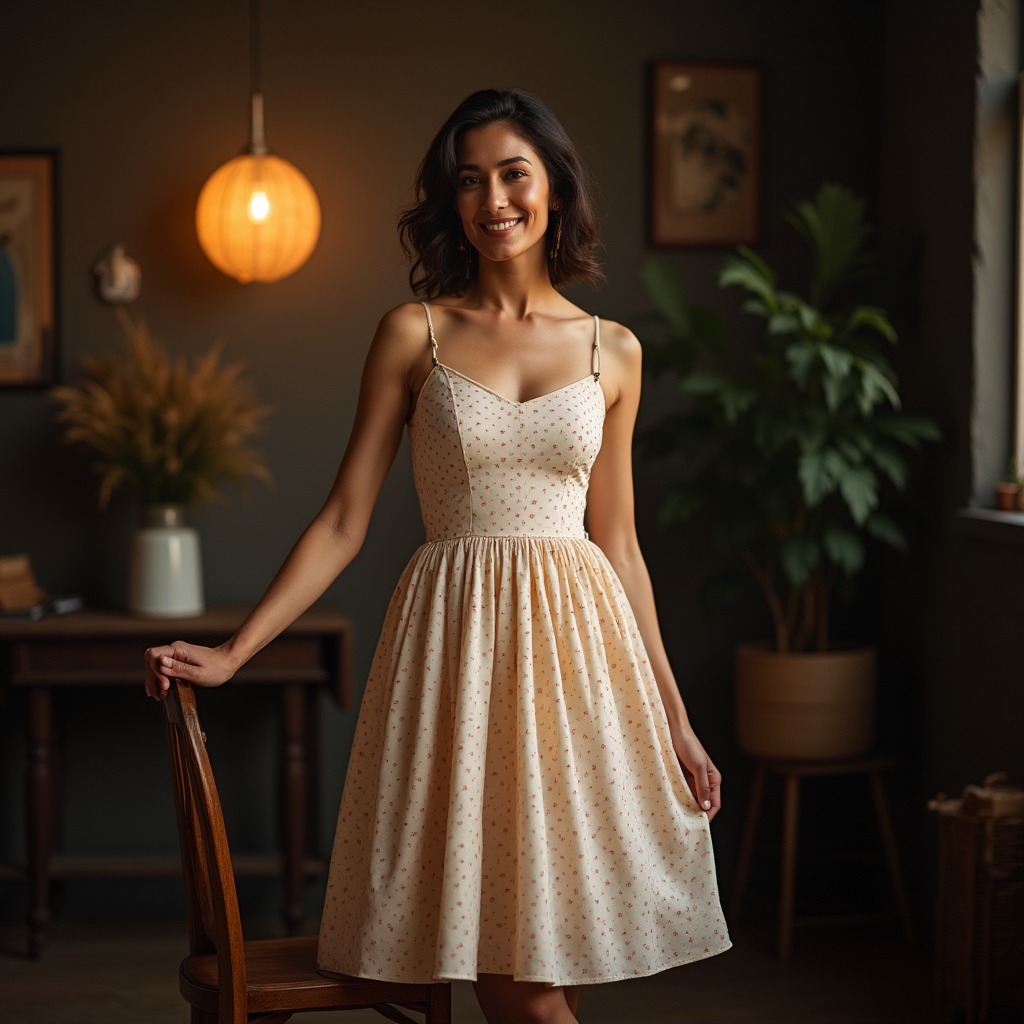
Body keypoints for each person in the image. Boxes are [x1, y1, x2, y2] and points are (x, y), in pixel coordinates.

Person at [145, 88, 730, 1024]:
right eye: (470, 180)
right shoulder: (412, 331)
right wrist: (234, 653)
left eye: (514, 173)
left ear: (553, 188)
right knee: (521, 987)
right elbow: (344, 520)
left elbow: (617, 543)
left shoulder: (614, 351)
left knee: (537, 975)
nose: (494, 198)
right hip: (456, 665)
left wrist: (675, 718)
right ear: (451, 200)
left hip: (578, 673)